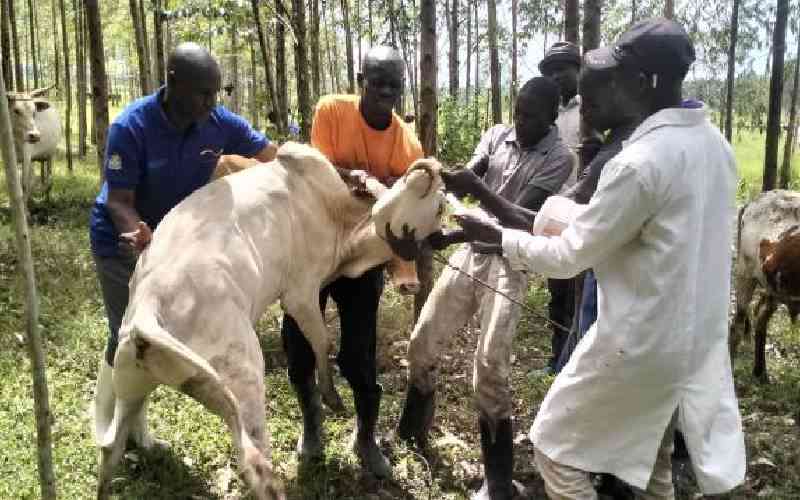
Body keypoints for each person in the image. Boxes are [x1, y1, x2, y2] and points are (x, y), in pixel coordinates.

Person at [455, 19, 746, 499]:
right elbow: (630, 226)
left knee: (552, 447)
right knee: (652, 463)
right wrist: (543, 217)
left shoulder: (641, 162)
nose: (607, 88)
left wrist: (500, 237)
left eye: (618, 75)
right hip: (694, 347)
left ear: (642, 82)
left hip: (640, 343)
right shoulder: (715, 146)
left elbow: (569, 258)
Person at [397, 77, 574, 500]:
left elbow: (517, 219)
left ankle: (498, 483)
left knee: (490, 368)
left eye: (530, 115)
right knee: (422, 341)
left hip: (511, 261)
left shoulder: (559, 158)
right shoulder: (497, 136)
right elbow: (468, 181)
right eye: (517, 111)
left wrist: (472, 192)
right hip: (471, 251)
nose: (520, 122)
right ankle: (411, 433)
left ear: (552, 116)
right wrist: (442, 207)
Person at [90, 42, 276, 446]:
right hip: (121, 242)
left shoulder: (218, 122)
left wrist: (315, 169)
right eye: (202, 93)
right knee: (127, 332)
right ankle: (108, 425)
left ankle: (137, 431)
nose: (211, 102)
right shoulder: (131, 127)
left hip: (174, 244)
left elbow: (271, 154)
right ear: (173, 82)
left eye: (216, 92)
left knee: (155, 336)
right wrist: (138, 232)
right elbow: (119, 202)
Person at [280, 46, 423, 479]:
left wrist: (384, 186)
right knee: (299, 338)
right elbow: (315, 173)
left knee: (359, 351)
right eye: (377, 81)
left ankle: (365, 436)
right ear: (361, 78)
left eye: (394, 84)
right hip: (314, 246)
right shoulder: (331, 111)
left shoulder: (406, 142)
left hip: (362, 257)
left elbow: (405, 199)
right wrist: (349, 176)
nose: (385, 91)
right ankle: (312, 427)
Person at [538, 41, 586, 372]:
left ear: (578, 70)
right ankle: (558, 358)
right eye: (550, 71)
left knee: (581, 295)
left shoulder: (591, 108)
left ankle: (576, 361)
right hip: (553, 213)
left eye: (562, 69)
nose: (556, 77)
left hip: (584, 213)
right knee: (558, 290)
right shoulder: (548, 113)